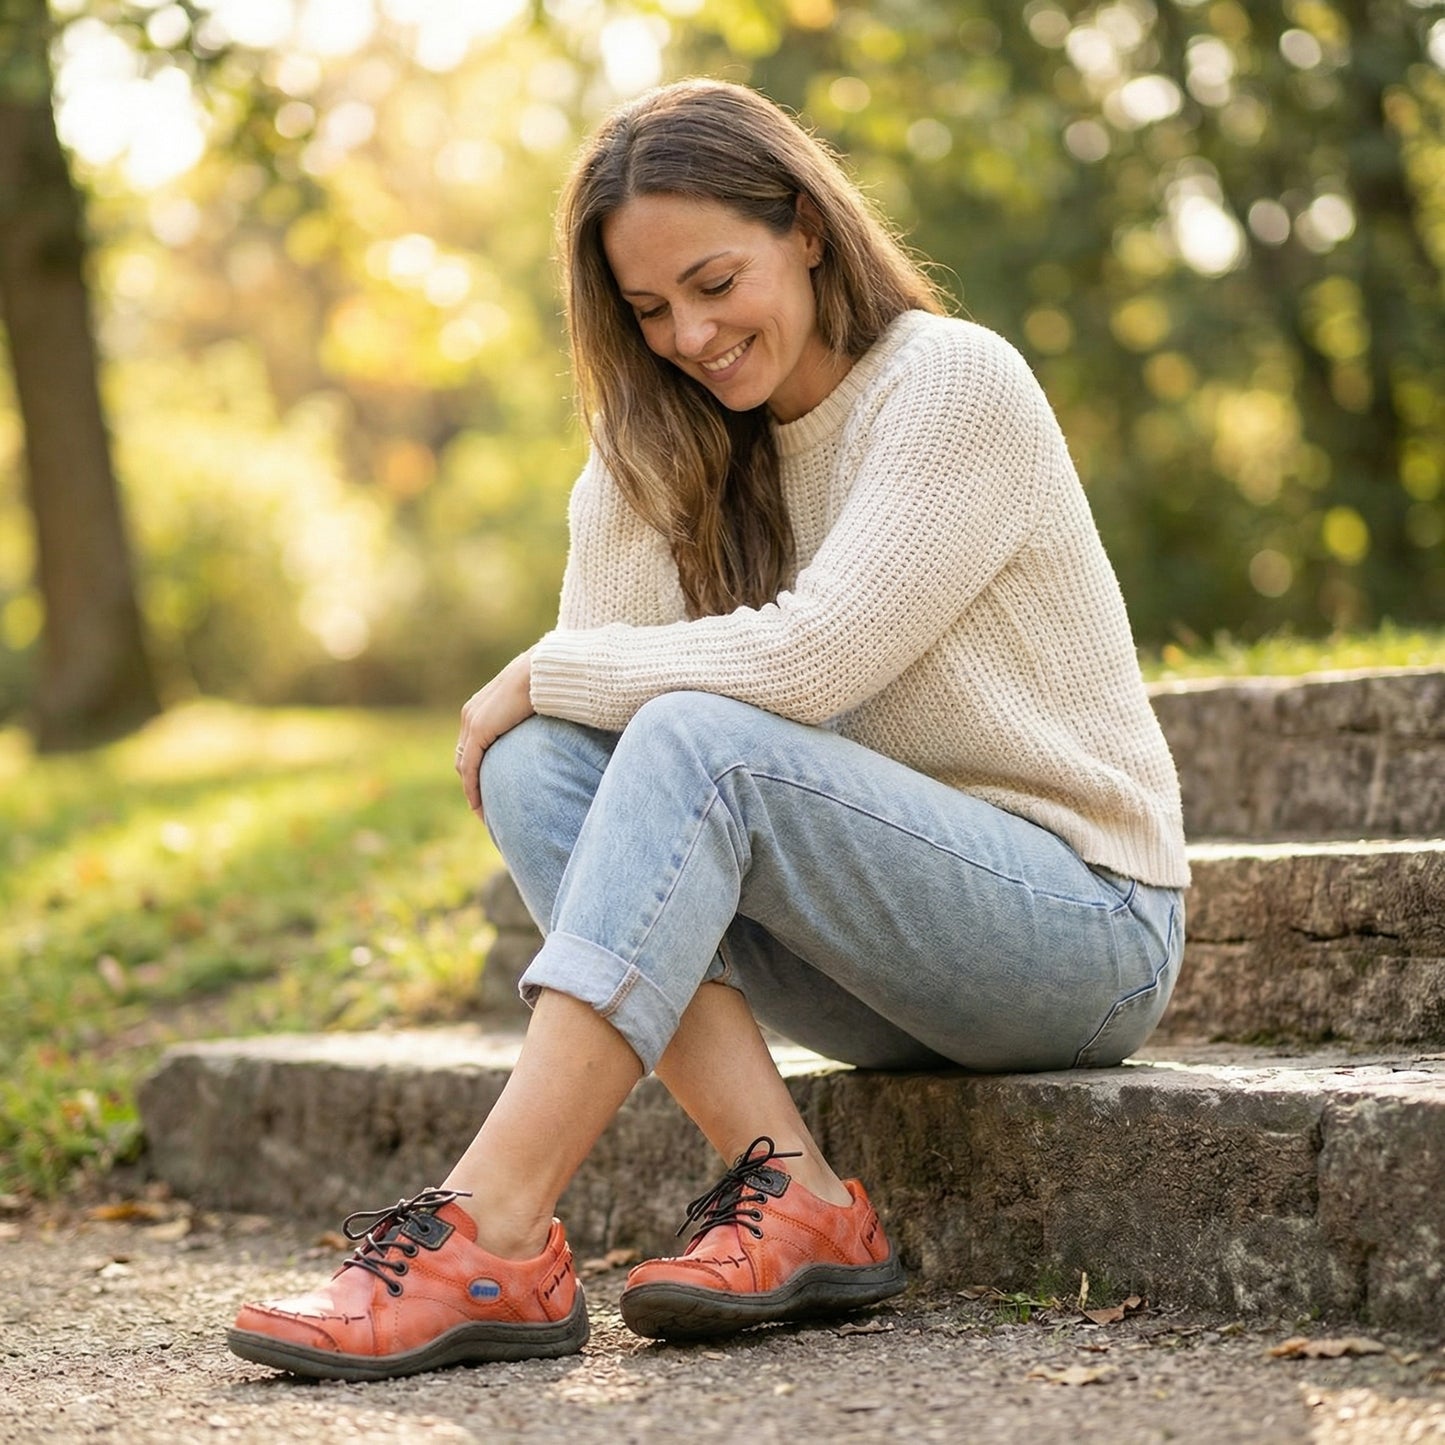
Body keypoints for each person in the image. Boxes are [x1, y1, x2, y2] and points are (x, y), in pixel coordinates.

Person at [227, 77, 1189, 1382]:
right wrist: (626, 477)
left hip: (1078, 932)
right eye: (647, 310)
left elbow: (810, 655)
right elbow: (601, 762)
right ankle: (789, 1192)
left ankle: (492, 1225)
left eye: (714, 281)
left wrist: (545, 665)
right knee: (538, 758)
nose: (688, 333)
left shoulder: (952, 383)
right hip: (875, 954)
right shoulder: (673, 439)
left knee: (689, 731)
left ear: (803, 224)